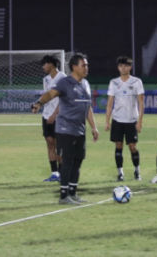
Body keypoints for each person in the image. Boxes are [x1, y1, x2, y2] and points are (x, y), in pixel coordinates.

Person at [32, 53, 100, 205]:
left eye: (87, 65)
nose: (86, 68)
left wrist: (94, 127)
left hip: (80, 129)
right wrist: (38, 103)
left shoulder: (86, 84)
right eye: (84, 65)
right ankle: (63, 196)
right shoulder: (64, 83)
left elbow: (87, 107)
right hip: (65, 129)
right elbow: (50, 94)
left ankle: (73, 193)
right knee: (67, 162)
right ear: (75, 67)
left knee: (78, 161)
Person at [105, 56, 145, 181]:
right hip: (117, 120)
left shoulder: (137, 82)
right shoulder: (114, 82)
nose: (123, 68)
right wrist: (107, 121)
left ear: (130, 67)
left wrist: (140, 121)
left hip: (131, 120)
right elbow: (110, 103)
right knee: (118, 146)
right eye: (121, 66)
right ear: (118, 68)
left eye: (126, 66)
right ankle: (120, 173)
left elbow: (141, 103)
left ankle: (137, 171)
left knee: (133, 147)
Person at [32, 54, 67, 182]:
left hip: (59, 117)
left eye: (44, 64)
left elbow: (63, 100)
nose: (43, 67)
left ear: (50, 64)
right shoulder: (45, 79)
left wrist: (54, 115)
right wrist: (38, 105)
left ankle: (63, 173)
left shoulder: (63, 78)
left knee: (59, 146)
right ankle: (54, 174)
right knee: (50, 143)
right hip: (46, 115)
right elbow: (47, 96)